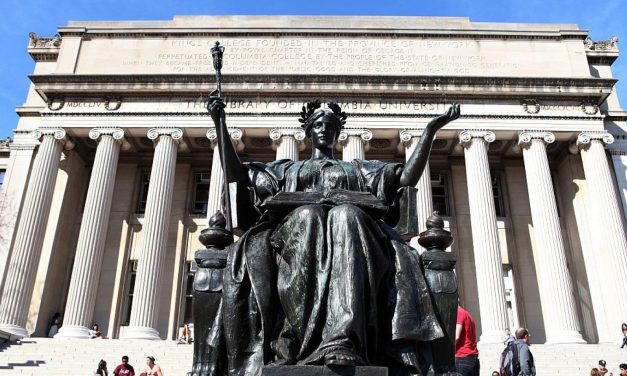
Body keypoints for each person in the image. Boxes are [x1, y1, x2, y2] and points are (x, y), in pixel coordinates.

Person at [206, 97, 461, 374]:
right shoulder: (287, 169)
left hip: (354, 234)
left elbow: (404, 179)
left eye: (329, 126)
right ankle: (296, 341)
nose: (323, 130)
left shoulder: (358, 170)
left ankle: (342, 339)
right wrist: (220, 123)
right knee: (309, 215)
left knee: (345, 215)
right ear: (307, 132)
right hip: (298, 234)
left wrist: (430, 132)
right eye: (317, 125)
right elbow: (240, 177)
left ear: (338, 134)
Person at [455, 305, 479, 376]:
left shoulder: (458, 312)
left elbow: (456, 336)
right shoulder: (468, 315)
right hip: (473, 359)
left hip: (462, 358)